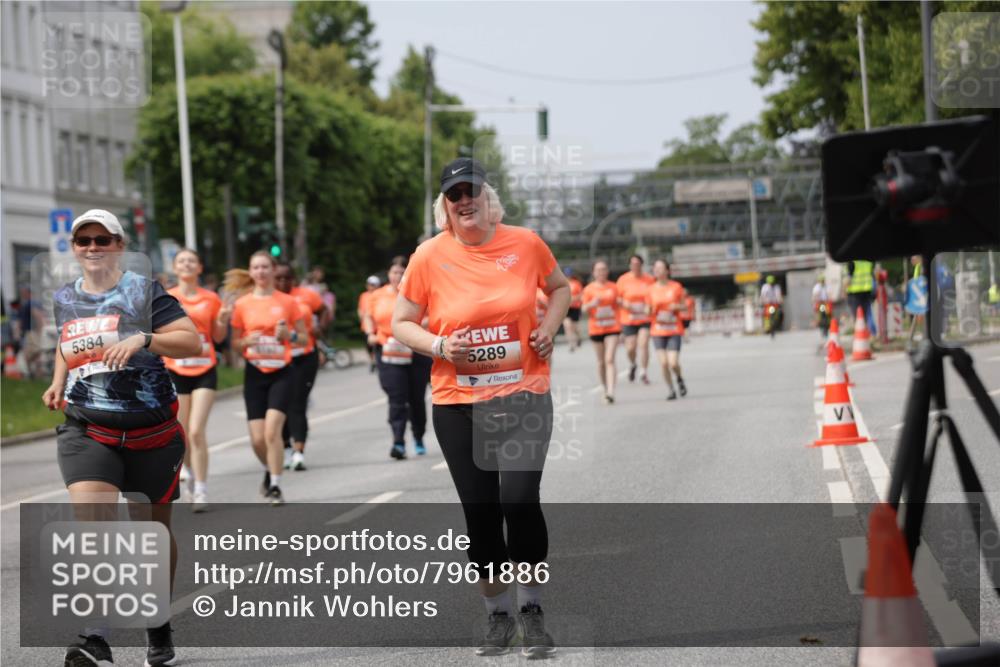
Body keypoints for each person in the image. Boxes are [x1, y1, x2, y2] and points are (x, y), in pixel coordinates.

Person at [392, 157, 570, 658]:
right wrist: (441, 347)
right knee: (482, 516)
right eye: (455, 196)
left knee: (519, 501)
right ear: (444, 208)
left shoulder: (526, 243)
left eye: (472, 192)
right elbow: (401, 322)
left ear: (488, 199)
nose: (465, 201)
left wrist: (549, 326)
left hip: (524, 394)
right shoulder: (428, 257)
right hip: (458, 404)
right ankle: (498, 617)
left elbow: (560, 288)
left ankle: (532, 611)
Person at [41, 209, 201, 667]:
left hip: (153, 431)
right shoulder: (65, 297)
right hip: (88, 429)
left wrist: (144, 339)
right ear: (74, 247)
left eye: (102, 239)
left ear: (119, 244)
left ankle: (157, 619)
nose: (92, 248)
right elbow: (66, 339)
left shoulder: (143, 291)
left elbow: (190, 342)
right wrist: (58, 380)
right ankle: (95, 636)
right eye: (83, 240)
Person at [225, 251, 307, 506]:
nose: (260, 272)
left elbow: (304, 339)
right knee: (258, 439)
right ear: (250, 272)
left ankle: (275, 485)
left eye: (264, 267)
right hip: (255, 372)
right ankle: (270, 468)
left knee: (272, 432)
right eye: (255, 267)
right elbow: (234, 344)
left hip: (282, 371)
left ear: (273, 270)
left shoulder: (289, 302)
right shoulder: (242, 304)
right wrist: (244, 342)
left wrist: (289, 336)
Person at [165, 249, 228, 512]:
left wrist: (223, 320)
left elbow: (219, 336)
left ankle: (201, 488)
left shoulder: (211, 298)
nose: (187, 264)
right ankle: (189, 476)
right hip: (175, 369)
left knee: (196, 430)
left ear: (199, 268)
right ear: (175, 268)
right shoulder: (167, 298)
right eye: (182, 261)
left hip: (204, 368)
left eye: (192, 260)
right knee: (181, 433)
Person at [366, 256, 432, 460]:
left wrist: (413, 328)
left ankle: (418, 436)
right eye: (394, 272)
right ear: (388, 274)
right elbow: (369, 317)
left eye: (402, 272)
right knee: (397, 398)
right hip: (388, 350)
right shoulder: (377, 295)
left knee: (416, 398)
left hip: (415, 351)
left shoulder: (419, 291)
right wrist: (370, 333)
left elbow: (433, 316)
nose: (397, 276)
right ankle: (398, 441)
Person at [275, 262, 328, 471]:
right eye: (278, 278)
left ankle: (299, 451)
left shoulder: (307, 295)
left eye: (286, 278)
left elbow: (324, 310)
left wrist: (320, 328)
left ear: (293, 279)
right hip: (279, 359)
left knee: (297, 403)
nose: (282, 282)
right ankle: (286, 447)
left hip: (305, 356)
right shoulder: (267, 298)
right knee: (281, 405)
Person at [646, 260, 688, 400]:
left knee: (673, 362)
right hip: (658, 330)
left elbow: (684, 306)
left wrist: (675, 307)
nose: (657, 270)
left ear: (667, 271)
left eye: (660, 268)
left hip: (674, 329)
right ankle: (671, 389)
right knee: (663, 363)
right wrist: (650, 310)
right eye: (655, 268)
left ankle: (679, 378)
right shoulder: (650, 289)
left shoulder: (676, 287)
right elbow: (647, 309)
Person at [582, 260, 621, 404]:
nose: (601, 272)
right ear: (593, 272)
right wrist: (592, 304)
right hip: (596, 328)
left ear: (607, 271)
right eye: (598, 270)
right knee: (601, 362)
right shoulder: (589, 289)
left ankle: (611, 391)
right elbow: (583, 309)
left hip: (612, 327)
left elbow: (619, 304)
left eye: (604, 269)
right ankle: (604, 388)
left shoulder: (614, 287)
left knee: (609, 359)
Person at [617, 255, 654, 384]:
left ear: (641, 265)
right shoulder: (623, 280)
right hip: (628, 318)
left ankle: (643, 371)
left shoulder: (649, 279)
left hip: (645, 317)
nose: (635, 267)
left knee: (643, 344)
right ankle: (633, 364)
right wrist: (625, 304)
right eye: (633, 264)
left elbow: (655, 296)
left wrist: (649, 306)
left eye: (638, 264)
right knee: (630, 348)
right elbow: (617, 298)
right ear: (629, 266)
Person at [845, 259, 876, 334]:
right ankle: (869, 333)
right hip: (867, 291)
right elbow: (872, 277)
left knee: (858, 317)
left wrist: (845, 290)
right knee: (866, 316)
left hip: (855, 293)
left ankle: (860, 335)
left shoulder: (852, 261)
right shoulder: (868, 261)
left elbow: (848, 280)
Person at [359, 275, 381, 373]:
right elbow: (360, 309)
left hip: (377, 325)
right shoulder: (363, 295)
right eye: (369, 284)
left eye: (373, 285)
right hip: (366, 325)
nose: (371, 286)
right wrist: (362, 318)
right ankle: (372, 361)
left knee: (377, 345)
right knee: (368, 345)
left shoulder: (380, 295)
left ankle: (377, 361)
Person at [562, 266, 583, 351]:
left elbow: (581, 295)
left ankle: (578, 337)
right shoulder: (562, 283)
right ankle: (571, 344)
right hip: (565, 308)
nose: (568, 276)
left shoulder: (576, 283)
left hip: (575, 307)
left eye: (569, 274)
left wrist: (572, 299)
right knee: (567, 325)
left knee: (575, 327)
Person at [811, 272, 832, 340]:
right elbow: (815, 296)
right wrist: (815, 299)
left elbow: (829, 294)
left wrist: (830, 299)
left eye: (823, 280)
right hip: (821, 304)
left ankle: (828, 326)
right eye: (821, 281)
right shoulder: (817, 287)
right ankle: (822, 327)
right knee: (821, 315)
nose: (822, 282)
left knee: (829, 314)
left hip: (826, 303)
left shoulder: (827, 286)